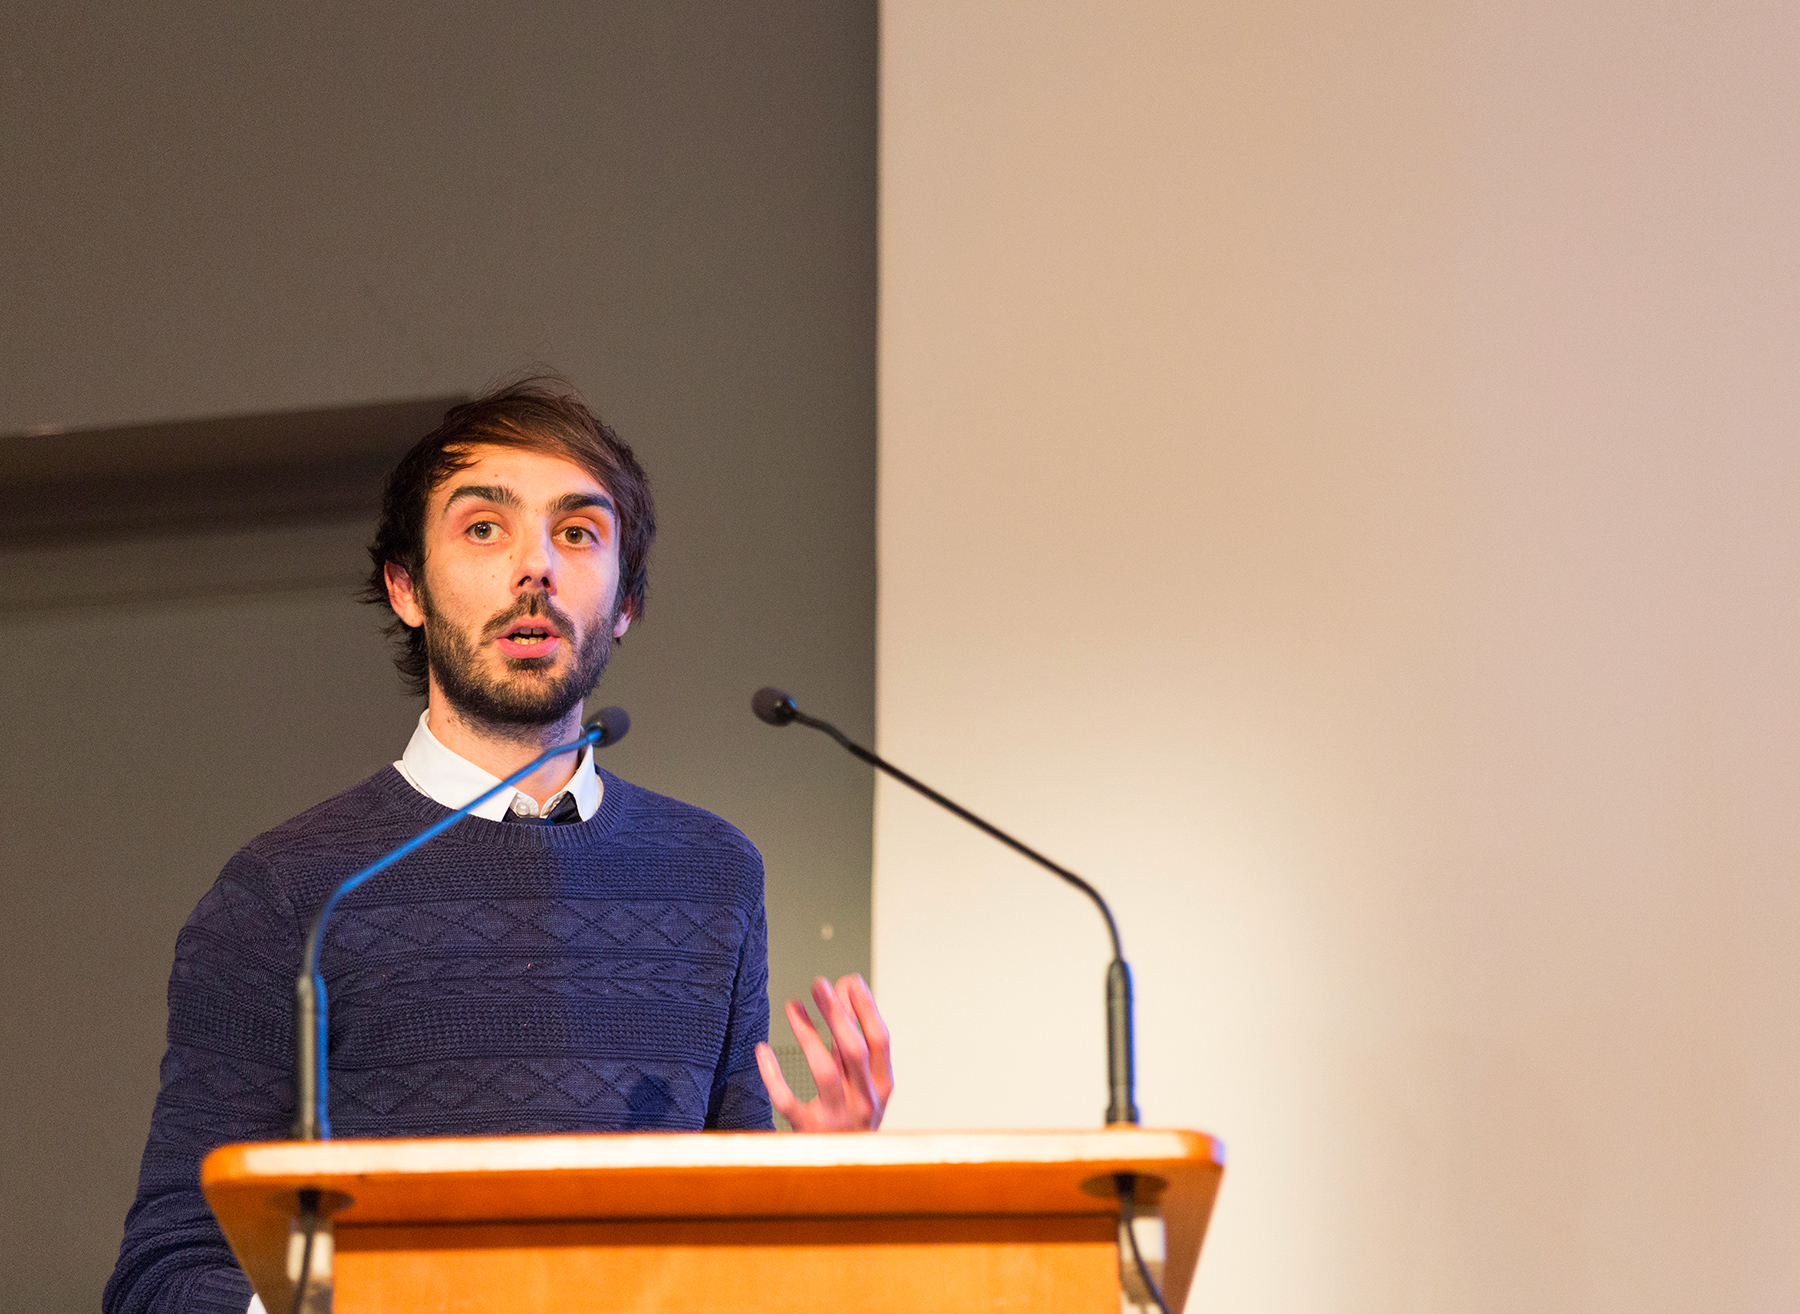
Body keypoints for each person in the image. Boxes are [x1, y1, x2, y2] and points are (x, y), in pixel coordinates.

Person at [102, 379, 893, 1314]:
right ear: (406, 587)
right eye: (484, 528)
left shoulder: (714, 873)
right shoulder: (290, 890)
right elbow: (167, 1274)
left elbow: (733, 1260)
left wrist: (824, 1185)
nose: (535, 569)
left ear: (626, 601)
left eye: (577, 533)